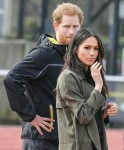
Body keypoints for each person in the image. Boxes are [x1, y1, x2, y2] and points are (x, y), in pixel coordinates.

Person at [4, 3, 84, 150]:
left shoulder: (74, 57)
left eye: (75, 26)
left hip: (64, 138)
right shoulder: (43, 54)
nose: (71, 31)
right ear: (56, 26)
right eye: (66, 26)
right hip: (41, 140)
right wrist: (31, 116)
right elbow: (12, 79)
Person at [56, 28, 118, 150]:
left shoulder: (92, 74)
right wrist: (98, 85)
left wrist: (104, 113)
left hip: (96, 143)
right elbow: (83, 116)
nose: (92, 53)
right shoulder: (68, 77)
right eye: (87, 48)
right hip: (76, 145)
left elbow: (91, 116)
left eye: (96, 49)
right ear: (75, 49)